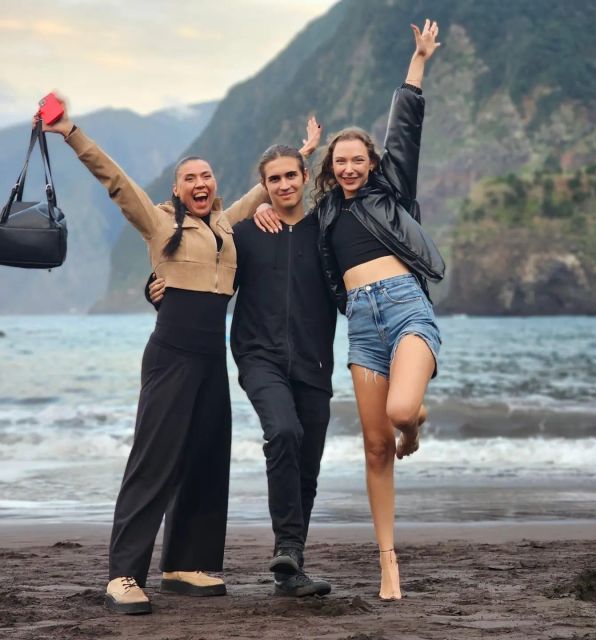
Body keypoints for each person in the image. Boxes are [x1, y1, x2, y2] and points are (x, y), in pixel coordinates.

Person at [38, 98, 315, 614]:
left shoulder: (227, 228)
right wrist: (69, 130)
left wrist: (302, 153)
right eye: (190, 177)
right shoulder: (162, 226)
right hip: (171, 356)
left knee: (207, 460)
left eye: (206, 175)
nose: (200, 183)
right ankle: (124, 573)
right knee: (154, 462)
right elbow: (115, 181)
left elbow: (264, 189)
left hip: (213, 359)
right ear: (177, 188)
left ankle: (185, 564)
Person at [255, 19, 445, 600]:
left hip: (405, 307)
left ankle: (413, 425)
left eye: (359, 159)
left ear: (372, 162)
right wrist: (263, 207)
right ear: (330, 170)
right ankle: (389, 561)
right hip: (361, 325)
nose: (350, 168)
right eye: (340, 162)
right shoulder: (325, 219)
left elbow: (405, 127)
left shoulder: (392, 193)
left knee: (403, 411)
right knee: (374, 446)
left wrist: (417, 63)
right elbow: (292, 243)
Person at [149, 141, 338, 597]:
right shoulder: (247, 235)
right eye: (274, 179)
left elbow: (352, 283)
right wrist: (157, 290)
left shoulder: (325, 232)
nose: (283, 185)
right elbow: (201, 274)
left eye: (291, 176)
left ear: (305, 178)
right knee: (284, 432)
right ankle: (288, 549)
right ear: (264, 185)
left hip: (315, 362)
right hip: (259, 357)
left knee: (307, 466)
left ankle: (290, 566)